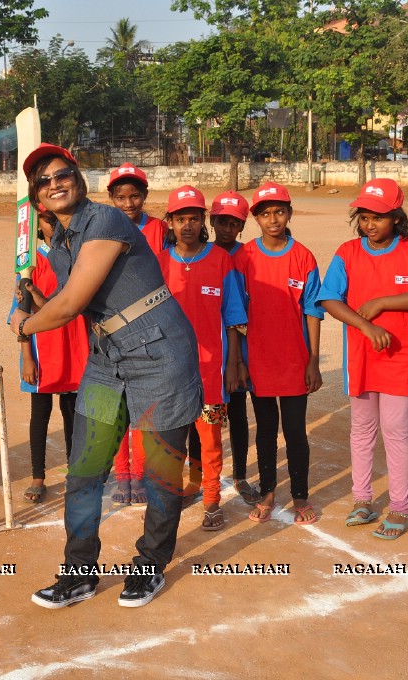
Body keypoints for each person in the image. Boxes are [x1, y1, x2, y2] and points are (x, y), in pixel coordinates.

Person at [9, 144, 201, 609]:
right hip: (107, 360)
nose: (55, 183)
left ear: (78, 178)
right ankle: (79, 574)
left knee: (160, 474)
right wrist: (25, 298)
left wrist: (23, 326)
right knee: (84, 471)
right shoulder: (59, 242)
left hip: (159, 353)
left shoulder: (108, 220)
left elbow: (71, 303)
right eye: (44, 181)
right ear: (37, 198)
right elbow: (57, 300)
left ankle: (149, 566)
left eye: (62, 173)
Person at [317, 178, 408, 540]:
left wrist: (384, 301)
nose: (370, 225)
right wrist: (365, 326)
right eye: (364, 217)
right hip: (361, 356)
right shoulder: (347, 252)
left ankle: (400, 507)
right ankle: (362, 500)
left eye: (379, 217)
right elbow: (329, 299)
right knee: (362, 430)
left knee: (396, 431)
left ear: (397, 218)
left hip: (399, 358)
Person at [233, 182, 324, 525]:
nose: (273, 219)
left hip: (295, 360)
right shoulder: (245, 257)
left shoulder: (303, 257)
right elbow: (234, 314)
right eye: (265, 213)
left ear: (290, 213)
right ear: (255, 217)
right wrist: (241, 361)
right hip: (258, 360)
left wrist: (313, 360)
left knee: (296, 431)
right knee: (266, 429)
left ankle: (300, 494)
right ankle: (269, 491)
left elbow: (313, 310)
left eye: (279, 212)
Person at [158, 186, 246, 531]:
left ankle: (211, 499)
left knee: (209, 440)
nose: (188, 226)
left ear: (202, 221)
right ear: (171, 222)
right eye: (181, 219)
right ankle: (173, 494)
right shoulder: (160, 262)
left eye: (194, 218)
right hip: (169, 371)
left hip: (211, 370)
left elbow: (234, 316)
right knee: (170, 440)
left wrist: (234, 364)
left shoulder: (221, 260)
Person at [12, 207, 89, 503]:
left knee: (72, 413)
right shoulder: (28, 264)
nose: (53, 224)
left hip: (74, 343)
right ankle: (38, 476)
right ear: (37, 224)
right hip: (42, 349)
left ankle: (74, 472)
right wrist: (27, 356)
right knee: (40, 415)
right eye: (47, 219)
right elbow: (21, 315)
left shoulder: (79, 255)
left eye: (58, 218)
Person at [106, 162, 167, 505]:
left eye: (135, 196)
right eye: (121, 197)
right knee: (118, 408)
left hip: (152, 328)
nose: (128, 203)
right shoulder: (103, 230)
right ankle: (123, 475)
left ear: (144, 196)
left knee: (145, 408)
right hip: (114, 328)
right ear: (111, 198)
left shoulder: (160, 230)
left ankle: (140, 474)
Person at [208, 190, 261, 506]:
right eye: (222, 221)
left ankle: (240, 475)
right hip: (208, 349)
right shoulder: (199, 253)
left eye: (235, 223)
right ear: (212, 221)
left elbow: (243, 308)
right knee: (204, 416)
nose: (228, 228)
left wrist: (239, 359)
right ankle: (199, 474)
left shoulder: (248, 257)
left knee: (238, 413)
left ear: (242, 226)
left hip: (238, 348)